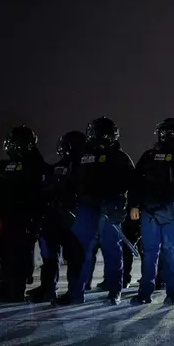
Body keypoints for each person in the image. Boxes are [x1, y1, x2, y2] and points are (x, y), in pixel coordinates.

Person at [58, 117, 134, 306]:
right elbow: (71, 180)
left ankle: (114, 291)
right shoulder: (82, 156)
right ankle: (76, 292)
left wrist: (122, 206)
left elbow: (131, 183)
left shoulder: (119, 156)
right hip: (86, 208)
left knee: (112, 250)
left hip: (110, 208)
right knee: (79, 252)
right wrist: (70, 202)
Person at [128, 118, 174, 305]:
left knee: (166, 253)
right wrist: (134, 205)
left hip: (170, 211)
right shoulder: (149, 156)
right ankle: (147, 292)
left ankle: (171, 293)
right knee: (153, 253)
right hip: (150, 211)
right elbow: (136, 181)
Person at [27, 131, 86, 304]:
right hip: (54, 217)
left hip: (72, 218)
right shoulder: (61, 166)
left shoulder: (81, 166)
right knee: (50, 256)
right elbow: (46, 179)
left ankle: (74, 293)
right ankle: (48, 289)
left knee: (73, 257)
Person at [0, 126, 48, 303]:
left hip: (23, 218)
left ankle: (14, 291)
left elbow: (38, 194)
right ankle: (7, 287)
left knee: (18, 254)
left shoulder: (34, 166)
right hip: (10, 217)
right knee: (7, 253)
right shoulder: (11, 165)